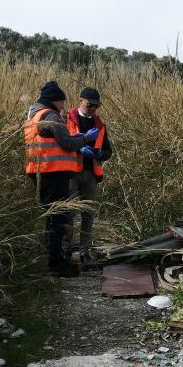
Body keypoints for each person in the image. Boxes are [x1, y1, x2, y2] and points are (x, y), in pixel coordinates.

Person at [24, 80, 99, 277]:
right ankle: (56, 263)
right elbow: (66, 143)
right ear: (55, 100)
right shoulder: (50, 116)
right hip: (53, 173)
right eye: (61, 102)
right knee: (58, 217)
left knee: (51, 217)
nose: (63, 106)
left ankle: (52, 257)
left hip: (40, 171)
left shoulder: (33, 115)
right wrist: (85, 139)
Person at [64, 87, 112, 257]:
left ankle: (84, 250)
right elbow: (61, 145)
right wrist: (78, 149)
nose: (92, 108)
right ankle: (66, 249)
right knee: (69, 212)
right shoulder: (67, 119)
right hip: (71, 173)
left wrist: (100, 154)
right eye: (90, 105)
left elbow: (108, 151)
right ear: (80, 100)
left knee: (88, 214)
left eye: (96, 106)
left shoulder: (100, 125)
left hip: (91, 174)